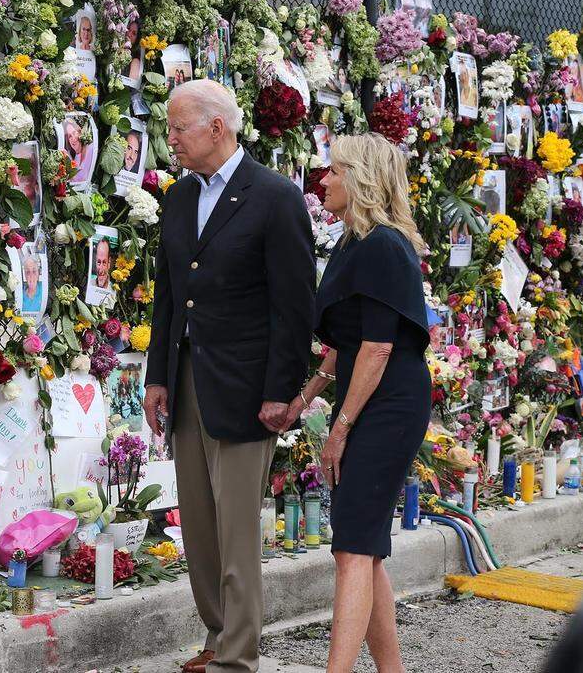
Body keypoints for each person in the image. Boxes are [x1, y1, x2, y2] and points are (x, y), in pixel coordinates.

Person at [142, 79, 314, 673]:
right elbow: (169, 294)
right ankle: (217, 636)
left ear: (218, 127)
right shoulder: (179, 198)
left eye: (177, 128)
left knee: (238, 530)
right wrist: (157, 376)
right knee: (199, 526)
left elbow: (293, 308)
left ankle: (236, 659)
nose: (170, 140)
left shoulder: (274, 196)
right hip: (188, 379)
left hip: (246, 386)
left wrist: (280, 392)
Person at [286, 133, 430, 673]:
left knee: (352, 548)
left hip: (388, 404)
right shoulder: (354, 242)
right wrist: (304, 400)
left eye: (334, 171)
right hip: (367, 396)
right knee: (362, 545)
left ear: (361, 179)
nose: (323, 180)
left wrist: (340, 427)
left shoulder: (384, 246)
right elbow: (344, 346)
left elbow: (379, 346)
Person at [63, 117, 95, 185]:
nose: (73, 138)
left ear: (80, 132)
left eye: (74, 133)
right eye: (70, 136)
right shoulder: (76, 156)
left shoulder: (90, 148)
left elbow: (80, 178)